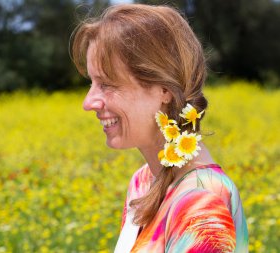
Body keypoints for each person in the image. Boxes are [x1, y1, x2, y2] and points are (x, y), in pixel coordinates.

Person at [70, 4, 248, 253]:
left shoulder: (201, 204)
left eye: (107, 84)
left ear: (164, 89)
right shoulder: (144, 181)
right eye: (92, 83)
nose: (88, 102)